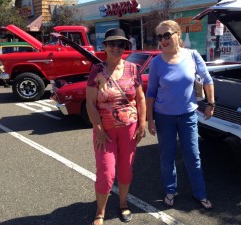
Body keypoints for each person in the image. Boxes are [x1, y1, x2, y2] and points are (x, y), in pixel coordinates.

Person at [146, 20, 214, 210]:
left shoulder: (192, 55)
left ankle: (200, 193)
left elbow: (208, 80)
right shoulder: (157, 62)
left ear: (178, 35)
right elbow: (150, 93)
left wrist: (211, 103)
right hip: (163, 118)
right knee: (167, 157)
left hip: (187, 117)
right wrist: (150, 120)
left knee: (193, 156)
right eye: (159, 37)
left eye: (167, 35)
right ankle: (170, 190)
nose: (163, 40)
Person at [86, 28, 146, 225]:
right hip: (106, 131)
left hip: (130, 128)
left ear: (125, 48)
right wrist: (100, 130)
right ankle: (100, 211)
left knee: (126, 169)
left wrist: (142, 124)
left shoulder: (133, 68)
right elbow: (90, 103)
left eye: (120, 44)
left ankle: (122, 204)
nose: (116, 47)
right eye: (112, 43)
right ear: (104, 46)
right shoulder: (96, 70)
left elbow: (140, 98)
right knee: (106, 172)